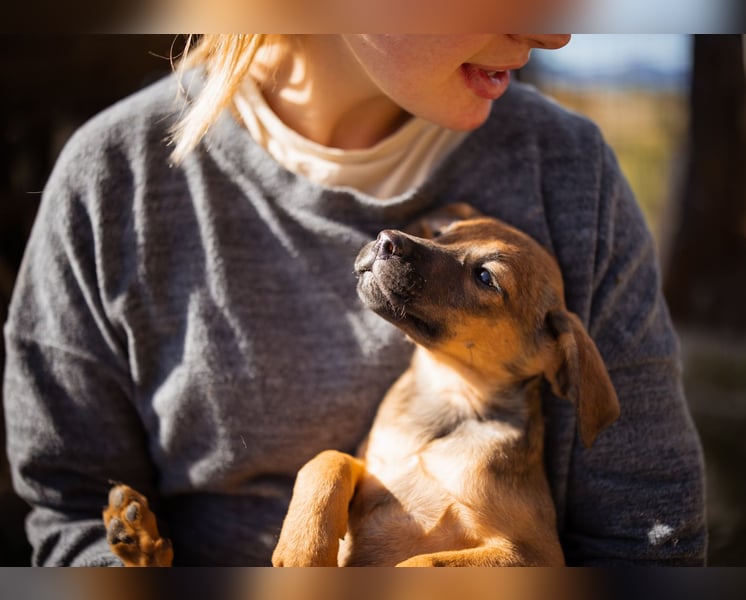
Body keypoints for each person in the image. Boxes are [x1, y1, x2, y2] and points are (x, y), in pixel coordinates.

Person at [3, 34, 707, 566]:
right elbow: (71, 509)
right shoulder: (109, 179)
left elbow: (647, 537)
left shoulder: (571, 174)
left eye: (483, 273)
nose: (555, 32)